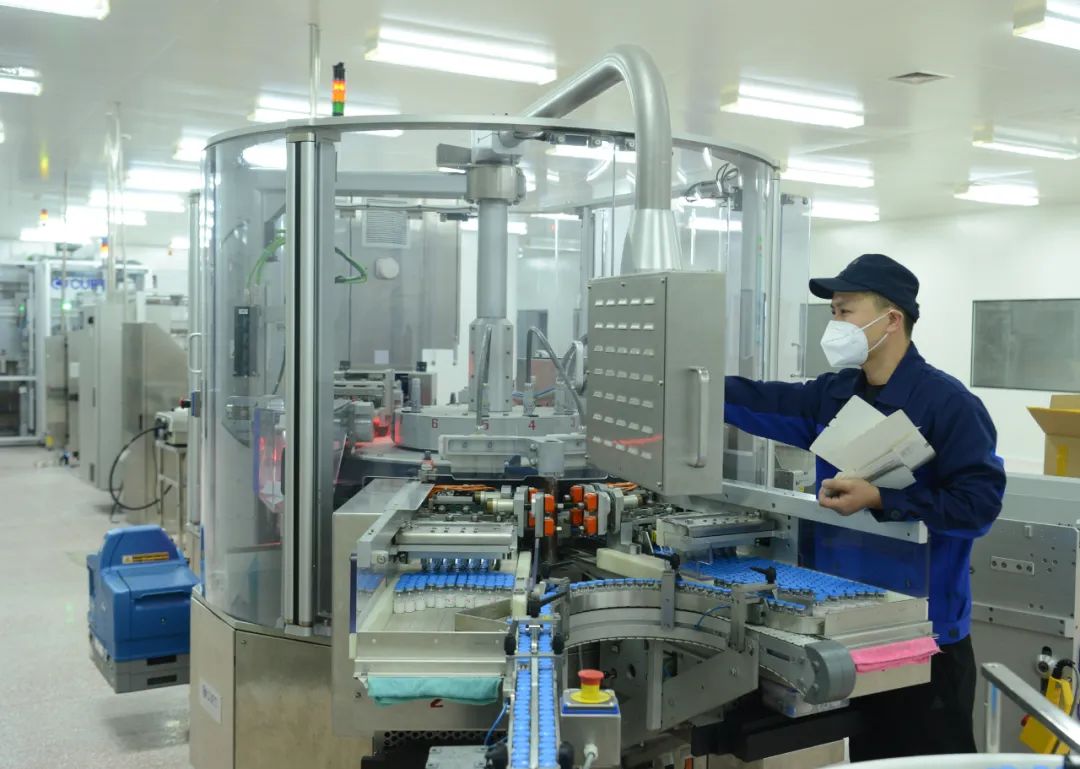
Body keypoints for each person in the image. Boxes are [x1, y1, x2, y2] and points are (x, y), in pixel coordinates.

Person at [724, 253, 1006, 758]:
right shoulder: (834, 395)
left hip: (925, 637)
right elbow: (761, 401)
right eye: (832, 311)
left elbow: (978, 506)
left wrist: (882, 498)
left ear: (891, 319)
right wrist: (691, 382)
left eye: (845, 311)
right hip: (849, 625)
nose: (834, 324)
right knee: (871, 758)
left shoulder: (948, 405)